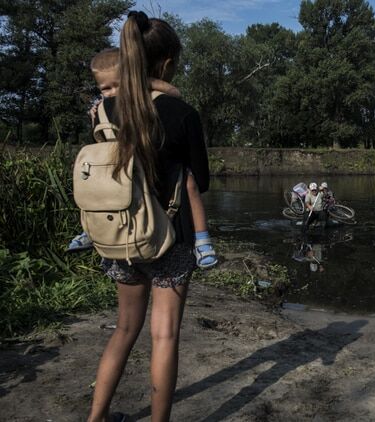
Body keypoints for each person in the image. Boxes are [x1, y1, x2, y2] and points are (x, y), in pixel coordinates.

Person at [87, 11, 210, 422]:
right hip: (170, 236)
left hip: (119, 236)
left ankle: (96, 418)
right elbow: (201, 181)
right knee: (164, 335)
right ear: (168, 62)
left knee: (124, 330)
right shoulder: (182, 114)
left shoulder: (103, 109)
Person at [67, 47, 217, 270]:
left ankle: (91, 231)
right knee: (189, 181)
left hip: (121, 210)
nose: (112, 94)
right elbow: (174, 93)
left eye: (117, 86)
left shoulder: (103, 109)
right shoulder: (175, 111)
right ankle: (203, 240)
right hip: (156, 212)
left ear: (131, 81)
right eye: (105, 89)